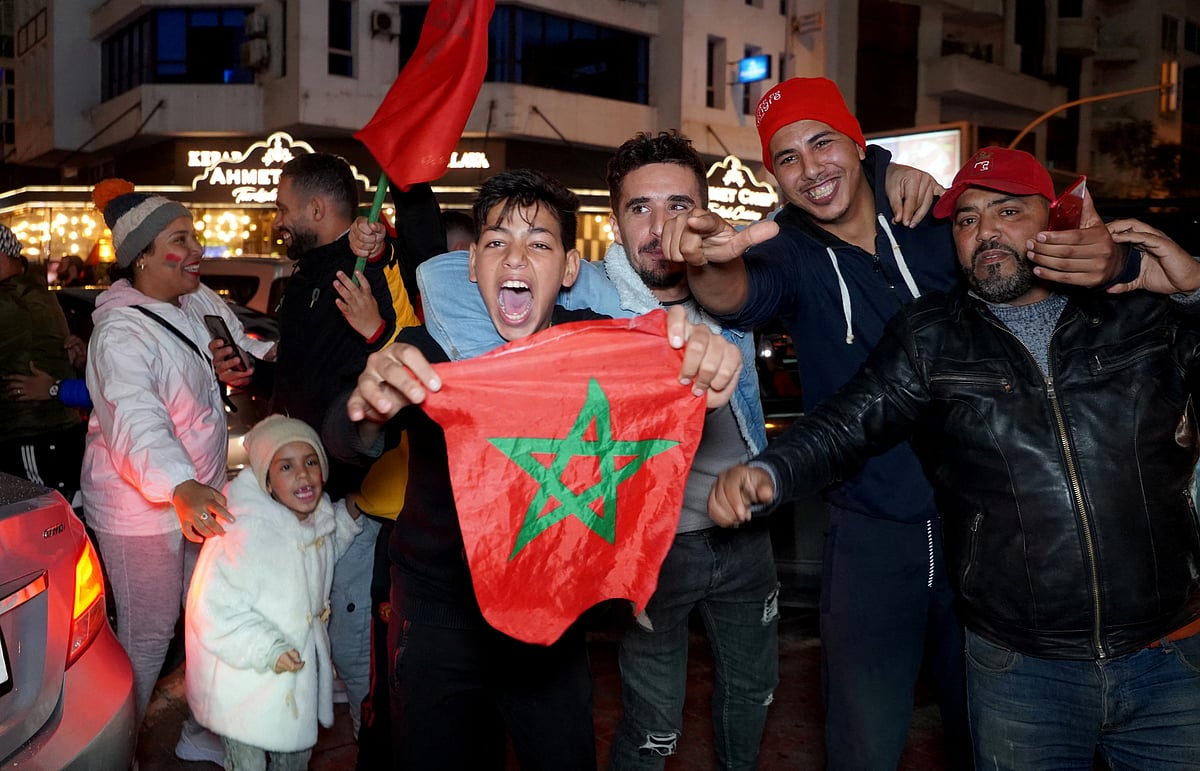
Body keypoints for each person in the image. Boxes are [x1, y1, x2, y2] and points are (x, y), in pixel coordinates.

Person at [662, 78, 1132, 769]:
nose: (810, 168)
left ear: (858, 142)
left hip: (990, 519)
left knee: (998, 735)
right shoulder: (786, 247)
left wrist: (1119, 260)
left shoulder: (934, 215)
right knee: (863, 738)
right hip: (871, 528)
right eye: (787, 158)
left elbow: (1034, 275)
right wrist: (706, 264)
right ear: (774, 175)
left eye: (823, 142)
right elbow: (736, 293)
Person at [331, 168, 742, 770]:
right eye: (496, 242)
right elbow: (343, 438)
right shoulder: (428, 350)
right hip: (438, 618)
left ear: (569, 268)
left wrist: (702, 355)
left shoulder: (600, 346)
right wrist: (367, 411)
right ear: (472, 264)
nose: (515, 257)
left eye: (539, 243)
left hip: (550, 619)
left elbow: (674, 360)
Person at [80, 179, 276, 761]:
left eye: (194, 234)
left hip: (199, 493)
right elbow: (135, 417)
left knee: (207, 620)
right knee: (147, 639)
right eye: (180, 239)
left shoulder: (199, 300)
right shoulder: (120, 332)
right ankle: (116, 754)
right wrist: (178, 483)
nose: (197, 248)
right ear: (141, 256)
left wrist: (249, 367)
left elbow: (244, 351)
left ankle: (202, 730)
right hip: (140, 509)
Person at [184, 415, 362, 770]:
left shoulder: (316, 518)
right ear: (267, 481)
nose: (302, 475)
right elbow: (213, 610)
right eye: (286, 466)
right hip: (243, 681)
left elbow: (321, 552)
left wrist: (349, 516)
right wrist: (269, 649)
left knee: (295, 756)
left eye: (311, 462)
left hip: (293, 679)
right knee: (248, 762)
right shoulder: (242, 534)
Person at [0, 224, 88, 502]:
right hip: (49, 432)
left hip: (33, 433)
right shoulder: (34, 291)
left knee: (42, 517)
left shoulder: (12, 300)